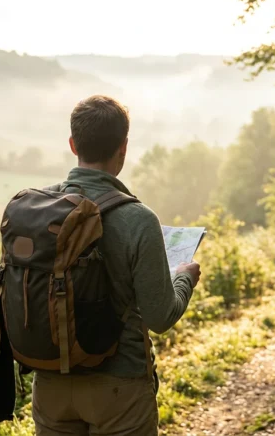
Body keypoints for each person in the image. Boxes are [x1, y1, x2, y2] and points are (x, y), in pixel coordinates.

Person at [32, 95, 201, 436]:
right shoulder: (138, 220)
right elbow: (160, 318)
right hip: (119, 387)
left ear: (72, 144)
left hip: (50, 382)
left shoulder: (38, 209)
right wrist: (184, 279)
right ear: (123, 148)